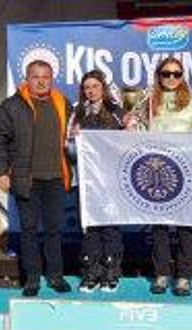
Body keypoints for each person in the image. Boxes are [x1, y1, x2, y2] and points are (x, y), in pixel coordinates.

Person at [0, 59, 71, 297]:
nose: (40, 81)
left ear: (52, 79)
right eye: (35, 76)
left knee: (54, 230)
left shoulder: (63, 103)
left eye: (45, 76)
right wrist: (0, 172)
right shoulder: (12, 105)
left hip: (57, 177)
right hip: (27, 179)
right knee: (28, 230)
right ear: (27, 78)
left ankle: (56, 276)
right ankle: (32, 278)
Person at [136, 56, 192, 297]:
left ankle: (185, 276)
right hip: (158, 171)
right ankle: (162, 273)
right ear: (159, 75)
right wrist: (130, 125)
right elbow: (140, 133)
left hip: (185, 171)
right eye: (166, 73)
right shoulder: (148, 102)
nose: (171, 78)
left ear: (182, 76)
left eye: (176, 74)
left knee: (186, 226)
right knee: (159, 227)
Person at [66, 70, 125, 293]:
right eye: (87, 87)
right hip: (87, 182)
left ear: (103, 88)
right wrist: (74, 140)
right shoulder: (77, 114)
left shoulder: (117, 112)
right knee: (90, 227)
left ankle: (111, 271)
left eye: (95, 86)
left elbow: (129, 146)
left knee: (110, 226)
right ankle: (91, 270)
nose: (91, 90)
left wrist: (130, 129)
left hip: (110, 181)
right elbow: (69, 151)